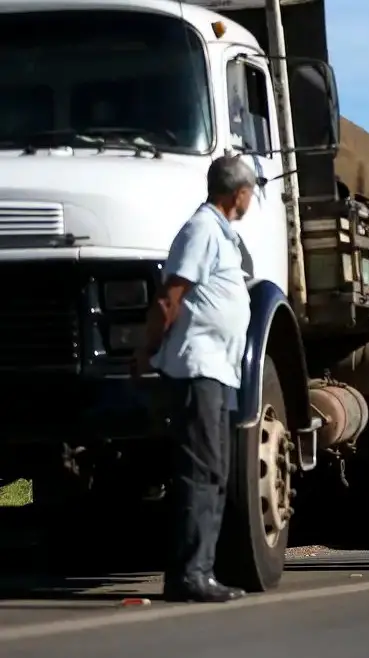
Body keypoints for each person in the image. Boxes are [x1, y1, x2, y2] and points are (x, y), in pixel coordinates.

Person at [133, 155, 255, 603]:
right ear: (237, 193)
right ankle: (190, 575)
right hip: (196, 367)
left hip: (217, 371)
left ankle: (198, 569)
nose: (252, 198)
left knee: (214, 471)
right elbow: (171, 296)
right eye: (250, 191)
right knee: (202, 471)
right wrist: (146, 351)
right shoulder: (202, 229)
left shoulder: (222, 234)